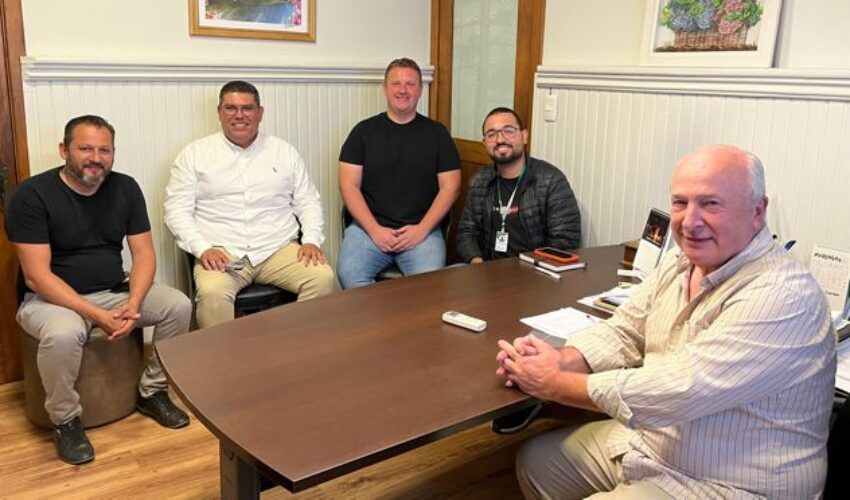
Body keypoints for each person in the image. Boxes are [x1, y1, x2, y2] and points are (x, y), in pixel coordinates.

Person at [496, 145, 836, 499]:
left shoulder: (782, 294)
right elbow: (626, 327)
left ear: (758, 211)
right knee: (538, 463)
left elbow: (679, 389)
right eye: (680, 203)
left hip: (731, 481)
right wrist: (563, 359)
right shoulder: (682, 260)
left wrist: (554, 384)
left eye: (711, 204)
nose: (689, 222)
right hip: (661, 442)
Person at [6, 115, 193, 465]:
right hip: (49, 300)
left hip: (113, 288)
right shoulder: (31, 195)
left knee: (178, 306)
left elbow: (144, 253)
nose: (96, 157)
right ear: (64, 150)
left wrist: (134, 303)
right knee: (63, 334)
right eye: (85, 148)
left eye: (104, 149)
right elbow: (36, 276)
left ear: (113, 153)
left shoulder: (125, 188)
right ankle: (65, 420)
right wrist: (95, 315)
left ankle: (152, 392)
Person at [165, 81, 334, 328]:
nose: (239, 115)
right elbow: (176, 210)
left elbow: (307, 200)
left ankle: (297, 349)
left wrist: (310, 240)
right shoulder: (194, 154)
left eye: (247, 108)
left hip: (277, 247)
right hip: (221, 251)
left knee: (322, 277)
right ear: (219, 112)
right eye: (231, 108)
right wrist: (202, 249)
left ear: (260, 113)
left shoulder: (283, 151)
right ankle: (221, 365)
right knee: (212, 292)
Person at [337, 58, 461, 288]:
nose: (403, 90)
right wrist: (374, 230)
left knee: (428, 285)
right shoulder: (363, 132)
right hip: (368, 229)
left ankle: (406, 325)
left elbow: (451, 187)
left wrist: (421, 230)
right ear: (385, 89)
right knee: (349, 274)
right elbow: (348, 186)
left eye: (410, 84)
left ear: (421, 90)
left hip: (422, 231)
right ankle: (376, 325)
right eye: (396, 83)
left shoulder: (438, 134)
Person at [456, 107, 580, 263]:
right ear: (484, 143)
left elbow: (565, 242)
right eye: (491, 134)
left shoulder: (551, 181)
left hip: (534, 275)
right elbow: (467, 232)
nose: (500, 139)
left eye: (508, 131)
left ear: (524, 136)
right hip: (487, 272)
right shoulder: (480, 180)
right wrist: (477, 263)